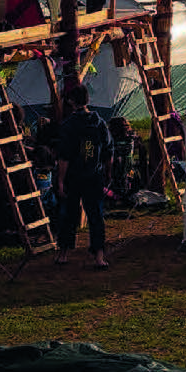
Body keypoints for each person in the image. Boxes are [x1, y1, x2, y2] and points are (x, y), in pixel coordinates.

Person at [54, 83, 112, 269]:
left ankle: (63, 254)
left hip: (74, 177)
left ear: (71, 101)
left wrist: (60, 181)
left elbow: (64, 157)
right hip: (94, 175)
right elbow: (109, 152)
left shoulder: (69, 125)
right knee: (96, 216)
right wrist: (108, 173)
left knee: (69, 214)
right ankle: (99, 257)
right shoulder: (99, 122)